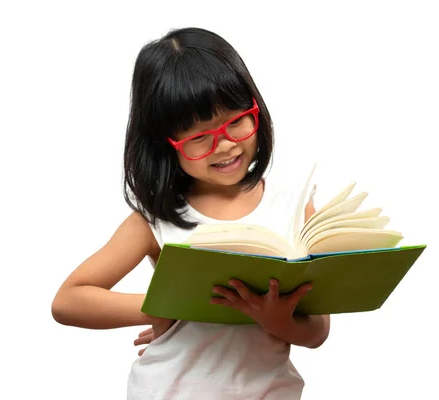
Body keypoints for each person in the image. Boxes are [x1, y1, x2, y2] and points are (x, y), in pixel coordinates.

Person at [51, 27, 330, 399]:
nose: (225, 144)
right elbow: (69, 300)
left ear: (255, 109)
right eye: (199, 137)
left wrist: (277, 320)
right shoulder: (155, 219)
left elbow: (318, 332)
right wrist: (158, 309)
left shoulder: (296, 208)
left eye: (235, 121)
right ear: (166, 146)